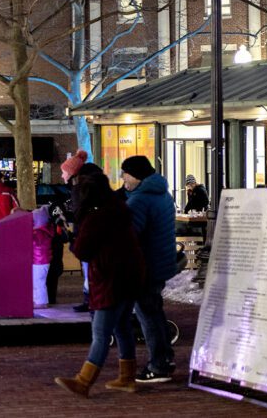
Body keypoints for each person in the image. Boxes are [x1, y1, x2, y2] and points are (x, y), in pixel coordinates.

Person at [55, 170, 145, 397]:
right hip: (129, 276)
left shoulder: (95, 218)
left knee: (101, 332)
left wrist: (73, 234)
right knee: (122, 327)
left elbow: (83, 250)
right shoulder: (118, 208)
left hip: (109, 280)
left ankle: (84, 381)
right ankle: (127, 377)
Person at [121, 155, 178, 383]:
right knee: (154, 310)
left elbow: (129, 236)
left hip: (144, 266)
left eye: (125, 173)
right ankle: (164, 358)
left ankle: (159, 364)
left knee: (148, 314)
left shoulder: (139, 201)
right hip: (161, 263)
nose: (122, 178)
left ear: (136, 175)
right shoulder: (162, 194)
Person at [61, 151, 89, 311]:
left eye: (64, 172)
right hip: (83, 235)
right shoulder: (79, 189)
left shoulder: (79, 190)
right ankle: (89, 299)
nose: (62, 175)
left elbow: (80, 214)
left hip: (85, 236)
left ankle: (89, 300)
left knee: (88, 269)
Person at [32, 206, 53, 308]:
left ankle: (41, 302)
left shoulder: (39, 233)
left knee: (39, 281)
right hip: (41, 260)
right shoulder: (46, 230)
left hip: (39, 260)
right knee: (38, 281)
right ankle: (37, 300)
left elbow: (35, 244)